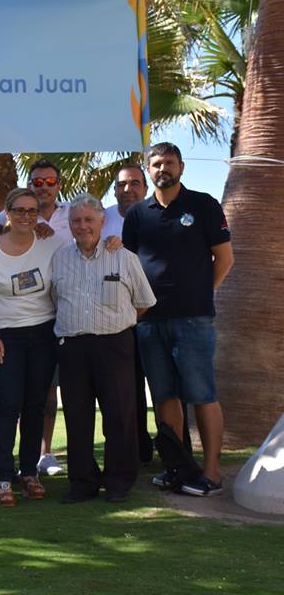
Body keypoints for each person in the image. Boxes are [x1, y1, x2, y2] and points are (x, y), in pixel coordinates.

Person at [124, 142, 234, 496]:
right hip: (149, 322)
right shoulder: (138, 215)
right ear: (148, 170)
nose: (162, 169)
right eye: (156, 164)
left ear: (182, 167)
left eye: (169, 162)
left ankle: (212, 474)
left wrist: (202, 292)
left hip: (193, 320)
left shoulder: (203, 205)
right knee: (165, 398)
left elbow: (224, 259)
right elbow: (128, 265)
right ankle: (179, 469)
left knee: (202, 395)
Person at [51, 194, 156, 503]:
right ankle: (82, 483)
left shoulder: (123, 257)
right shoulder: (59, 258)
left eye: (88, 220)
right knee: (77, 417)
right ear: (69, 225)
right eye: (76, 221)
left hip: (114, 344)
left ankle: (118, 482)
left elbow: (144, 303)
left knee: (120, 416)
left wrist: (117, 324)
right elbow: (54, 300)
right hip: (72, 347)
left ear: (100, 222)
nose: (82, 226)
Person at [0, 187, 64, 507]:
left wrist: (112, 244)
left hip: (43, 334)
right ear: (6, 213)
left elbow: (83, 253)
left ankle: (29, 473)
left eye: (31, 211)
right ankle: (2, 476)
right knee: (7, 406)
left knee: (36, 404)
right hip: (6, 337)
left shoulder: (52, 244)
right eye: (19, 210)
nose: (26, 216)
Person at [103, 165, 157, 462]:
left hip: (157, 314)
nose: (128, 189)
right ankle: (134, 450)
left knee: (164, 387)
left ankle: (175, 448)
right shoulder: (103, 218)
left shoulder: (156, 214)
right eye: (122, 185)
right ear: (114, 190)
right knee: (125, 389)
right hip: (118, 319)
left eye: (135, 183)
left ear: (145, 188)